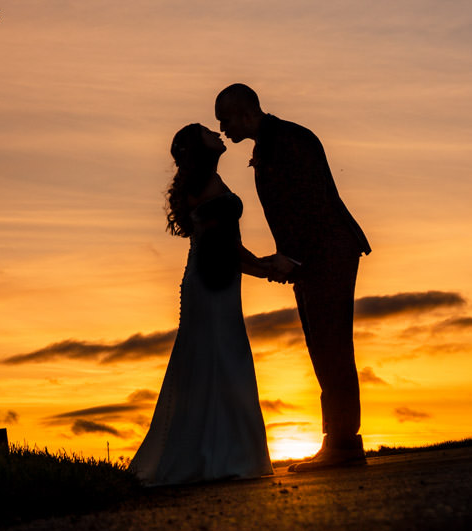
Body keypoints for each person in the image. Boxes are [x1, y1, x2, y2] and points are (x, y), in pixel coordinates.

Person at [216, 83, 371, 471]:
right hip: (314, 257)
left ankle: (344, 445)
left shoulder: (288, 140)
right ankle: (337, 441)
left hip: (327, 253)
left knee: (332, 343)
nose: (222, 128)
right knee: (322, 345)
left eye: (225, 118)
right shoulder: (271, 142)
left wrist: (295, 258)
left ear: (245, 111)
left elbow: (311, 202)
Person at [129, 123, 274, 485]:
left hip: (216, 280)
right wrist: (268, 267)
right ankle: (223, 457)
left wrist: (265, 267)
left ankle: (222, 456)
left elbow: (226, 246)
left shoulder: (208, 181)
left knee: (221, 363)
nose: (218, 133)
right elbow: (223, 247)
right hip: (211, 283)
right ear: (199, 146)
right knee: (224, 361)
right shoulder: (205, 185)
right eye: (210, 131)